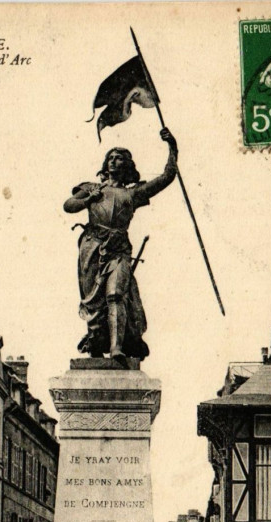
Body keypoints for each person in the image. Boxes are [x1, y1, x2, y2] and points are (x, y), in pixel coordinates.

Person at [64, 128, 178, 362]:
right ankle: (95, 343)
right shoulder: (92, 188)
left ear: (126, 166)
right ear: (105, 164)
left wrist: (172, 148)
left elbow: (166, 177)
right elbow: (68, 205)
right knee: (93, 301)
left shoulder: (133, 194)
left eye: (120, 158)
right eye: (111, 157)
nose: (114, 161)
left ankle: (117, 348)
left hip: (119, 249)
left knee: (116, 294)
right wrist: (89, 199)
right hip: (92, 248)